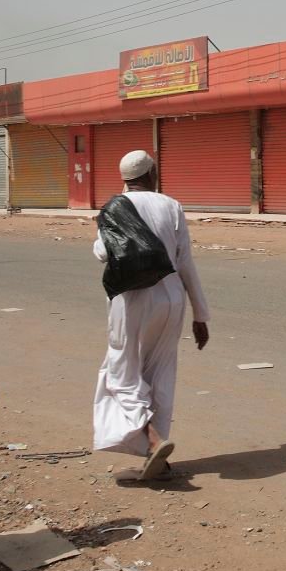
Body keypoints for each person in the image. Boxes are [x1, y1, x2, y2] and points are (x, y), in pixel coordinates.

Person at [92, 150, 209, 480]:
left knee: (121, 372)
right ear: (152, 174)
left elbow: (102, 251)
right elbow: (186, 261)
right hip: (172, 300)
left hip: (133, 301)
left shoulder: (116, 206)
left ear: (125, 178)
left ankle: (154, 440)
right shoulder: (171, 205)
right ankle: (158, 460)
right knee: (161, 373)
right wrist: (201, 314)